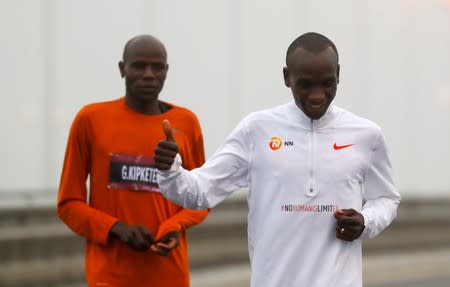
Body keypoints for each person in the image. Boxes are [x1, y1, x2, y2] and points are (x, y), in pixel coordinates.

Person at [154, 32, 401, 287]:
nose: (317, 96)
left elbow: (387, 198)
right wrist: (170, 169)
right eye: (305, 84)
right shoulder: (256, 129)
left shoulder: (366, 135)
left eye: (327, 83)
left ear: (338, 74)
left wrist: (365, 221)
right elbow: (200, 192)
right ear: (286, 77)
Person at [57, 34, 208, 287]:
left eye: (157, 67)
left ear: (166, 71)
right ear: (122, 69)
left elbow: (201, 197)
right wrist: (117, 228)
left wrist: (174, 226)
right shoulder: (90, 120)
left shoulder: (186, 124)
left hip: (169, 275)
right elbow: (68, 204)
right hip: (110, 275)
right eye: (139, 65)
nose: (149, 74)